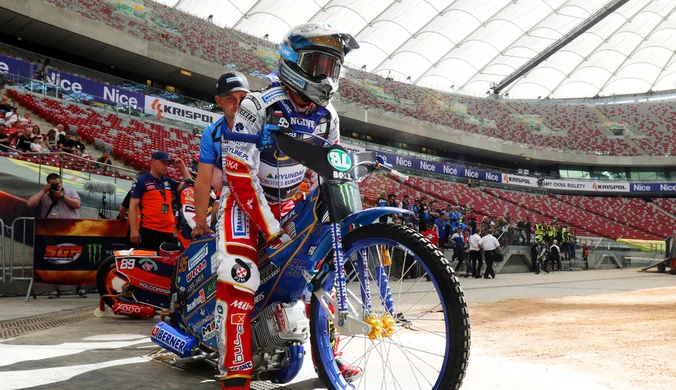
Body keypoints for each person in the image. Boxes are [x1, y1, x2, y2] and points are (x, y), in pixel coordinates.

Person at [192, 23, 359, 389]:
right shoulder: (257, 103)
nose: (324, 76)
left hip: (288, 205)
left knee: (319, 276)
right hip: (241, 204)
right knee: (240, 277)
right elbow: (237, 172)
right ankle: (235, 372)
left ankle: (330, 356)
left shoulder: (328, 114)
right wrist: (270, 228)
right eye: (316, 64)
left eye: (331, 67)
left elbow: (325, 169)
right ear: (292, 61)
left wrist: (313, 209)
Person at [128, 151, 189, 251]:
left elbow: (188, 187)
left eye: (167, 164)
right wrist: (133, 230)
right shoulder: (141, 181)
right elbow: (132, 207)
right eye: (163, 163)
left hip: (168, 231)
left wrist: (182, 167)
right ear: (153, 161)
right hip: (149, 231)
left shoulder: (168, 181)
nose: (166, 167)